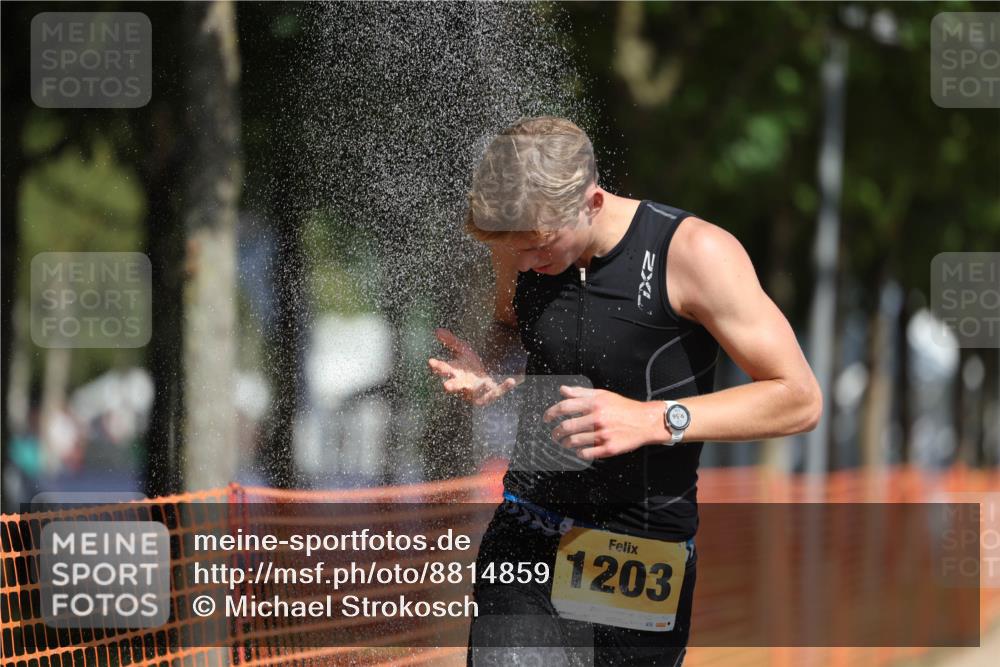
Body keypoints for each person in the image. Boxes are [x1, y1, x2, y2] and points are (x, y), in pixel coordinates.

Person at [428, 116, 822, 666]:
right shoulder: (522, 246)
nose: (525, 263)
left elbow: (799, 398)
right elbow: (510, 327)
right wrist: (490, 368)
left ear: (591, 201)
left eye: (539, 245)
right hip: (528, 526)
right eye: (513, 250)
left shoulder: (695, 253)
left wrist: (653, 420)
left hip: (635, 552)